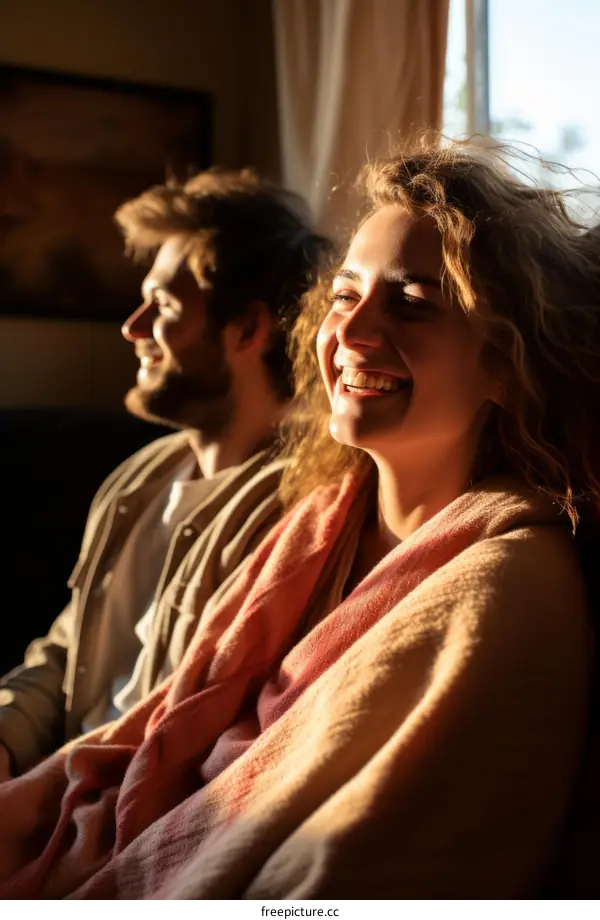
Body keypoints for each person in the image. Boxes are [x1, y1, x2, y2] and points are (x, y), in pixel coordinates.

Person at [1, 141, 599, 899]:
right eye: (346, 296)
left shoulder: (507, 585)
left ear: (509, 363)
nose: (350, 334)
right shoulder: (315, 523)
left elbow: (353, 863)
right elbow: (148, 726)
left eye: (411, 301)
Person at [0, 167, 331, 780]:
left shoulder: (298, 512)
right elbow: (67, 648)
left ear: (249, 329)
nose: (132, 328)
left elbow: (202, 738)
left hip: (105, 818)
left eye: (165, 306)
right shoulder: (139, 480)